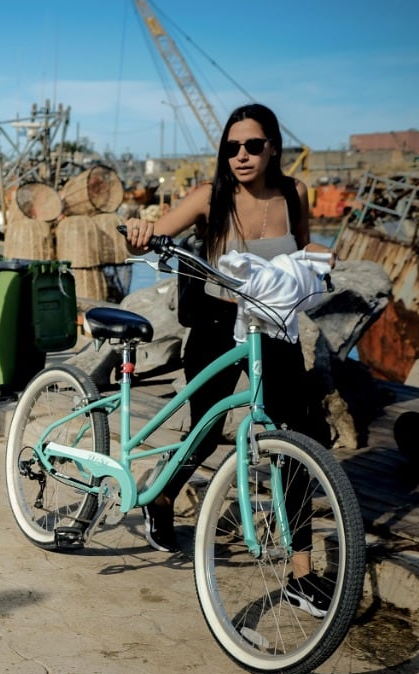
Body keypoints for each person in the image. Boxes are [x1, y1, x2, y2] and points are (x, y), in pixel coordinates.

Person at [122, 102, 335, 614]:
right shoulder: (209, 196)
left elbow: (304, 246)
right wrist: (140, 231)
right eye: (232, 147)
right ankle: (163, 496)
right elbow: (155, 234)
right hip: (218, 325)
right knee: (206, 429)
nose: (241, 155)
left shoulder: (294, 193)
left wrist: (324, 257)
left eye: (253, 145)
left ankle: (300, 573)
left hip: (274, 327)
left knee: (293, 440)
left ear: (273, 148)